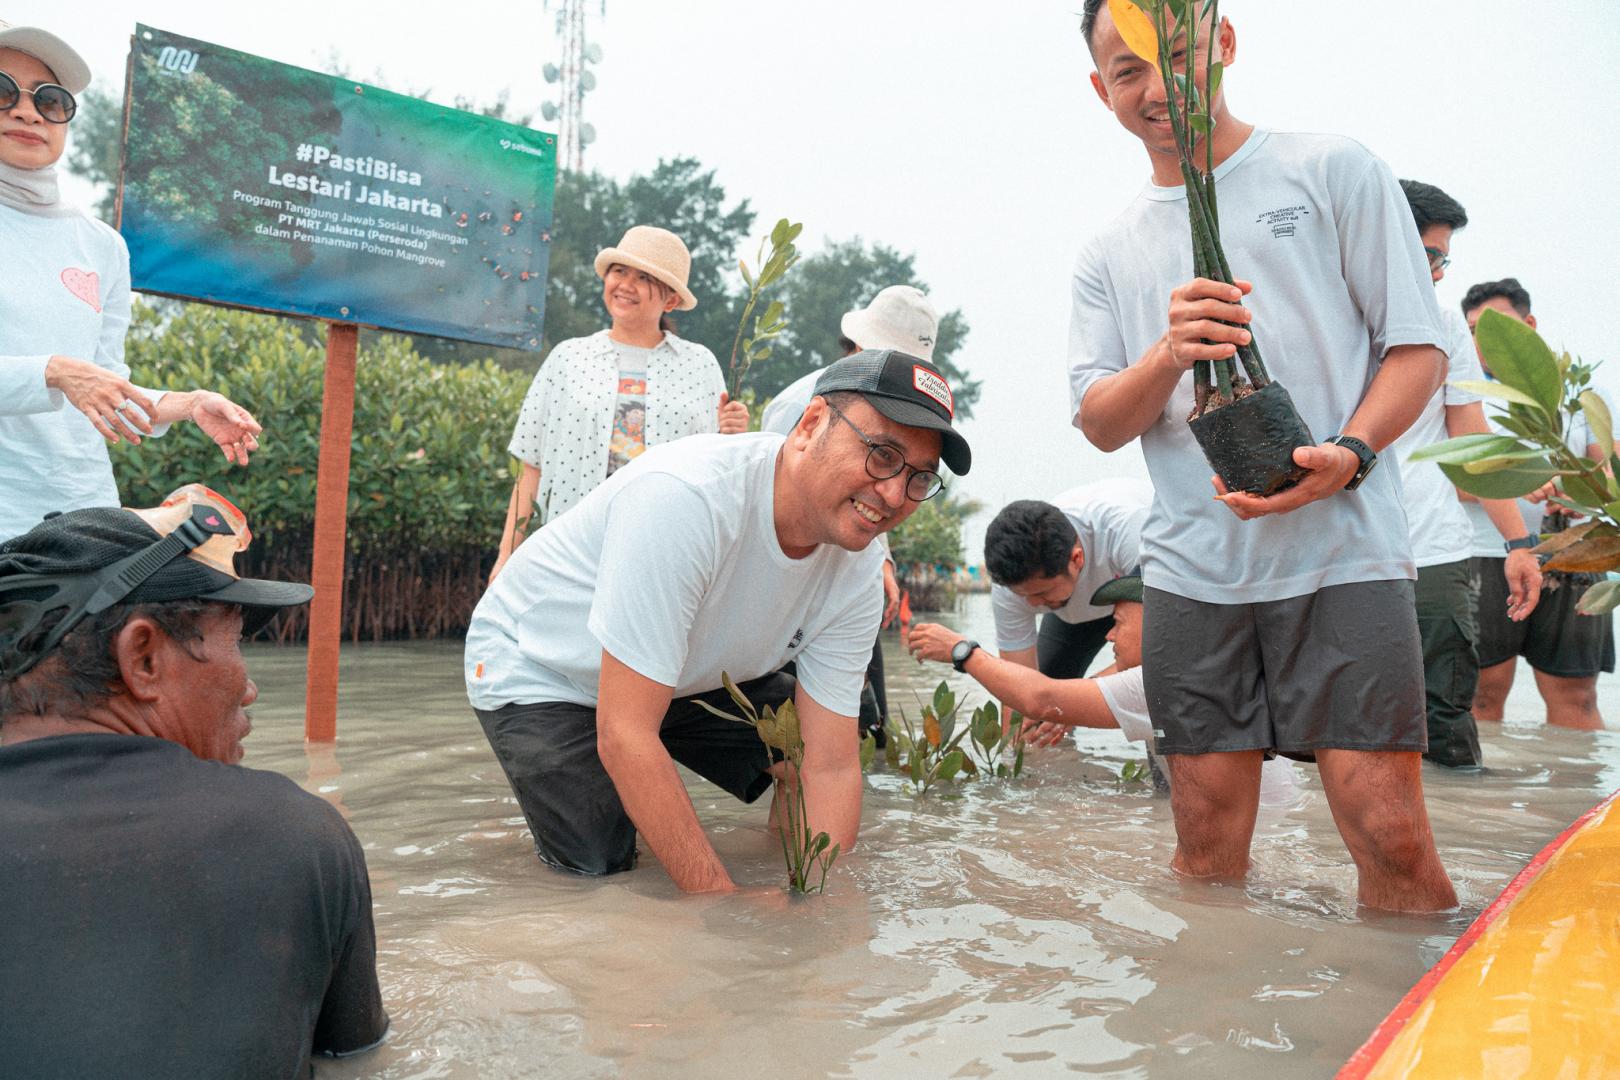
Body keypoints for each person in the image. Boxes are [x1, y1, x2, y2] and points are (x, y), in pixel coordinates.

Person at [1069, 2, 1457, 910]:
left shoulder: (1331, 169)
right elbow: (1096, 419)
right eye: (1127, 72)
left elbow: (1417, 347)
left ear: (1225, 43)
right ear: (1102, 92)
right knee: (1204, 850)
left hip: (1345, 554)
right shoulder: (1108, 248)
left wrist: (1351, 452)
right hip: (1195, 573)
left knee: (1390, 836)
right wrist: (1168, 353)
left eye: (1174, 54)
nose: (1155, 85)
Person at [467, 349, 971, 893]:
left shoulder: (860, 567)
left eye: (920, 478)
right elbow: (626, 732)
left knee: (796, 751)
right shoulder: (686, 500)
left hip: (687, 673)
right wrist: (724, 905)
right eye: (881, 454)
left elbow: (829, 765)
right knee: (601, 873)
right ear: (810, 425)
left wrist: (819, 909)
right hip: (543, 666)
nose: (895, 494)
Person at [0, 485, 388, 1077]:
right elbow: (355, 1061)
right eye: (235, 640)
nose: (249, 687)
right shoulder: (294, 835)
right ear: (144, 659)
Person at [0, 23, 264, 543]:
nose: (28, 111)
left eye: (50, 101)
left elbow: (106, 390)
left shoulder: (103, 246)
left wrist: (189, 404)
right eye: (3, 92)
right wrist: (55, 371)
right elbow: (75, 379)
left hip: (83, 522)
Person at [1387, 181, 1542, 768]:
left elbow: (1471, 439)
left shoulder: (1445, 324)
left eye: (1443, 258)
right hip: (1337, 549)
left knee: (1446, 712)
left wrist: (1519, 543)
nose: (1440, 274)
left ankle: (1465, 848)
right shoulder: (1315, 312)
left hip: (1432, 546)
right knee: (1335, 711)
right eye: (1431, 256)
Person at [492, 224, 750, 577]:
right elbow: (529, 466)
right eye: (620, 271)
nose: (626, 285)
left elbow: (720, 472)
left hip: (664, 556)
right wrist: (507, 556)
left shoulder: (699, 365)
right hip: (570, 552)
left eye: (645, 277)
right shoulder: (568, 358)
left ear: (671, 299)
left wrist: (733, 435)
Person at [905, 573, 1298, 804]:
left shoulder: (1165, 681)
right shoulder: (1200, 666)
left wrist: (963, 651)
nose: (1109, 634)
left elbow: (1041, 698)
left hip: (1261, 830)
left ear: (1160, 624)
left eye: (1120, 622)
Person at [760, 285, 942, 738]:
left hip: (852, 575)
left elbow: (884, 491)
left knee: (864, 725)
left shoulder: (911, 415)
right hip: (792, 584)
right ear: (857, 346)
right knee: (792, 725)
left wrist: (881, 559)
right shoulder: (802, 403)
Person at [1462, 278, 1614, 729]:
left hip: (1573, 556)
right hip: (1484, 556)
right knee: (1482, 696)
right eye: (1472, 329)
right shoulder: (1466, 399)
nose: (1482, 339)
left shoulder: (1584, 397)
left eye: (1495, 325)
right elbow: (1441, 483)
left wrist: (1581, 492)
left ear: (1528, 325)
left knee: (1578, 697)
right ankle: (1475, 803)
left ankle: (1571, 800)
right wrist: (1521, 479)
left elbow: (1612, 476)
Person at [983, 480, 1148, 683]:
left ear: (1076, 559)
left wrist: (1078, 699)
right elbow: (1019, 689)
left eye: (1040, 593)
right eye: (1023, 595)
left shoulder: (1130, 534)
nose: (1032, 604)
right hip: (1072, 611)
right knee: (1046, 696)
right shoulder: (1008, 584)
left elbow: (1159, 649)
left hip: (1146, 591)